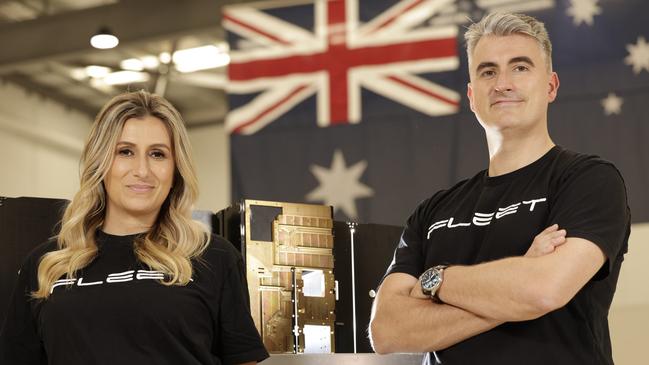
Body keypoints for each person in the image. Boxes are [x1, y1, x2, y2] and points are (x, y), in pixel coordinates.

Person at [369, 12, 630, 365]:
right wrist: (517, 283)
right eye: (488, 71)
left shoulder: (588, 180)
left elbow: (543, 290)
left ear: (551, 86)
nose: (502, 83)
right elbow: (386, 331)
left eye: (520, 68)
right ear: (472, 94)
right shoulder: (433, 211)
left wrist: (435, 280)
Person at [0, 90, 269, 365]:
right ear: (101, 162)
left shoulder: (213, 257)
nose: (142, 170)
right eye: (125, 151)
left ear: (176, 169)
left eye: (158, 154)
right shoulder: (45, 264)